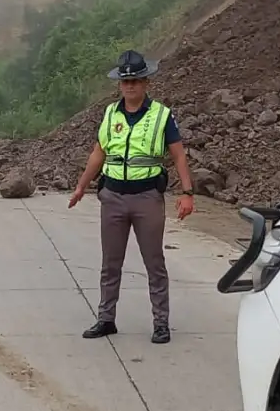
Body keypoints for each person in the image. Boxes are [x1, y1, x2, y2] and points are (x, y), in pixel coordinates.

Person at [68, 50, 195, 345]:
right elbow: (98, 154)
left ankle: (161, 323)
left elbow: (178, 155)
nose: (130, 86)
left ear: (146, 82)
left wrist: (187, 192)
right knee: (110, 262)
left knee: (154, 262)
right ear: (120, 84)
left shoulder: (161, 115)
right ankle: (106, 318)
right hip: (112, 196)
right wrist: (80, 187)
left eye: (136, 81)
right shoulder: (111, 113)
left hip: (147, 198)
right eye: (125, 81)